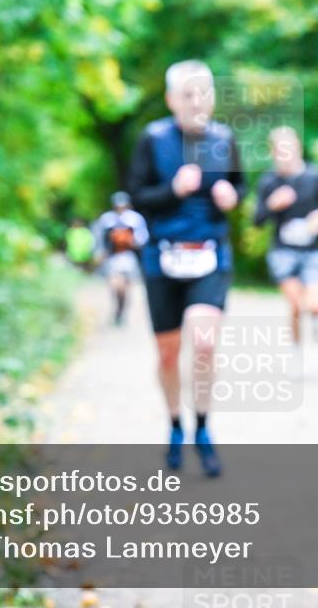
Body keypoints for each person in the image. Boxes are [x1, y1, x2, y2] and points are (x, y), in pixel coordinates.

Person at [127, 59, 246, 477]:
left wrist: (232, 195)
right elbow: (137, 196)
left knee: (204, 341)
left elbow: (240, 184)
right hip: (162, 254)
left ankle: (203, 426)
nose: (197, 102)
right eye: (188, 95)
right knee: (168, 352)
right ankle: (176, 424)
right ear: (171, 99)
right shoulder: (153, 138)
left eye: (204, 93)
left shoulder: (224, 138)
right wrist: (172, 190)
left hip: (210, 253)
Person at [253, 126, 318, 344]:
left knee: (314, 304)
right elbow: (257, 220)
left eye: (289, 147)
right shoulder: (269, 181)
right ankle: (297, 348)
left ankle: (317, 315)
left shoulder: (315, 175)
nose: (285, 154)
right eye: (280, 150)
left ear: (298, 147)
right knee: (296, 304)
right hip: (283, 252)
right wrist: (272, 205)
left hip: (312, 250)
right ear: (273, 152)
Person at [92, 192, 149, 326]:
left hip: (128, 258)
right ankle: (116, 309)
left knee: (125, 290)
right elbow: (98, 238)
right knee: (115, 286)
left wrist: (130, 240)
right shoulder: (107, 220)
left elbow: (143, 238)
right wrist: (100, 253)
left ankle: (122, 313)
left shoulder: (135, 219)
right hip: (112, 258)